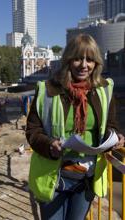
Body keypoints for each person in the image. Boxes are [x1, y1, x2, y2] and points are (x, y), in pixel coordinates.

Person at [26, 34, 125, 220]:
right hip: (54, 177)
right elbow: (33, 130)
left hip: (86, 179)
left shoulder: (104, 89)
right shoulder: (47, 89)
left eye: (90, 59)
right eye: (78, 58)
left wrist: (115, 138)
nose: (84, 65)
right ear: (68, 60)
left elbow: (110, 125)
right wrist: (49, 145)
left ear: (96, 63)